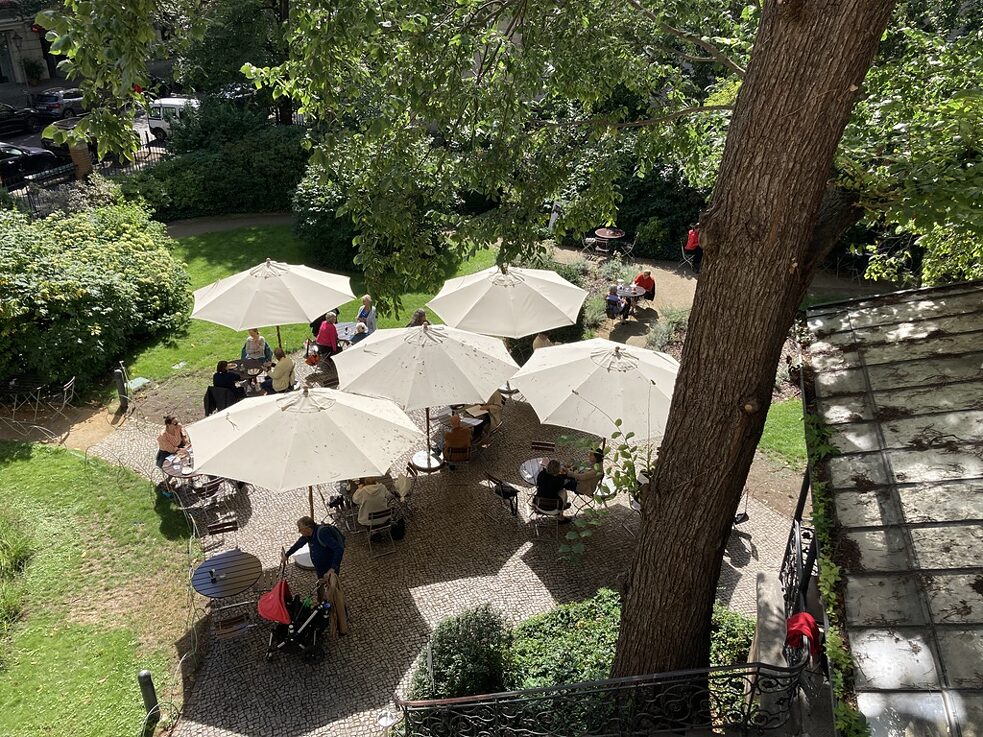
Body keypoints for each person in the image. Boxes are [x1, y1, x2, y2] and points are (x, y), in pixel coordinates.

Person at [283, 517, 346, 584]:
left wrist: (333, 568)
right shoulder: (307, 535)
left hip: (329, 567)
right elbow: (298, 544)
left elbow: (338, 549)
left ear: (307, 528)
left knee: (333, 588)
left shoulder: (322, 533)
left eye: (300, 529)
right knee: (323, 586)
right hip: (320, 569)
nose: (300, 532)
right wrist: (287, 555)